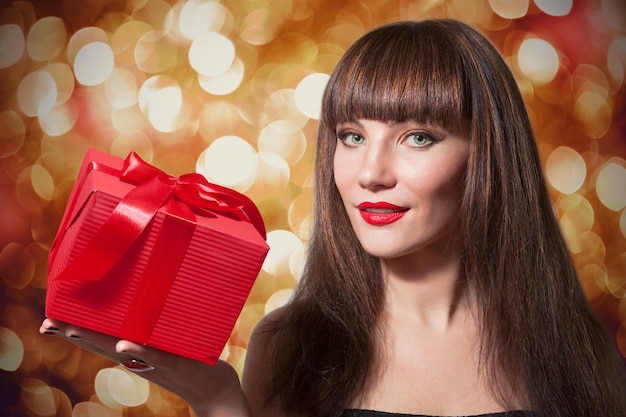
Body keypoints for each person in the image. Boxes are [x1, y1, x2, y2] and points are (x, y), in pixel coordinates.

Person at [40, 19, 626, 417]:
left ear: (488, 157)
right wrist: (219, 403)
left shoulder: (579, 351)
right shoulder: (290, 346)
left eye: (417, 137)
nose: (371, 171)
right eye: (351, 136)